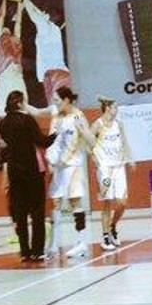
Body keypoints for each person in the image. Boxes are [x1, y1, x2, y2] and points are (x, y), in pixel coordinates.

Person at [0, 90, 57, 262]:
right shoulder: (27, 120)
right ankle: (37, 250)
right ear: (19, 103)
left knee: (20, 213)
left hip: (15, 172)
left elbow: (6, 148)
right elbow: (42, 141)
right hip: (32, 171)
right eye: (24, 101)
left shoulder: (3, 124)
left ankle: (24, 251)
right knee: (38, 212)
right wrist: (56, 134)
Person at [46, 86, 95, 259]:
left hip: (73, 166)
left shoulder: (78, 117)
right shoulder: (56, 117)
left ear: (66, 100)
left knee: (75, 202)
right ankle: (53, 244)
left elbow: (91, 141)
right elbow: (53, 143)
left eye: (58, 101)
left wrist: (87, 134)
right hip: (59, 167)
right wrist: (51, 161)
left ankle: (81, 242)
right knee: (56, 203)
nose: (55, 104)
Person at [90, 96, 134, 251]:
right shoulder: (98, 124)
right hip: (105, 168)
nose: (117, 111)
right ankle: (105, 237)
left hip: (119, 166)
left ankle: (112, 226)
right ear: (108, 108)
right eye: (115, 107)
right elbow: (88, 141)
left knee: (122, 202)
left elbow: (125, 142)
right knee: (107, 202)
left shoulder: (118, 124)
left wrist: (130, 158)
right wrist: (93, 156)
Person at [21, 0, 72, 104]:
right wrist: (28, 1)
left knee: (57, 112)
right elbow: (38, 13)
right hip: (63, 74)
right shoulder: (54, 29)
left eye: (44, 13)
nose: (41, 12)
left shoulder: (45, 27)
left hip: (53, 75)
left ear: (47, 16)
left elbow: (35, 15)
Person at [0, 0, 27, 117]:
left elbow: (19, 21)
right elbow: (1, 15)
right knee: (3, 112)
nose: (5, 28)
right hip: (5, 77)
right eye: (3, 27)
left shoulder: (16, 39)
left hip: (18, 77)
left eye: (7, 27)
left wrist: (19, 2)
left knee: (24, 108)